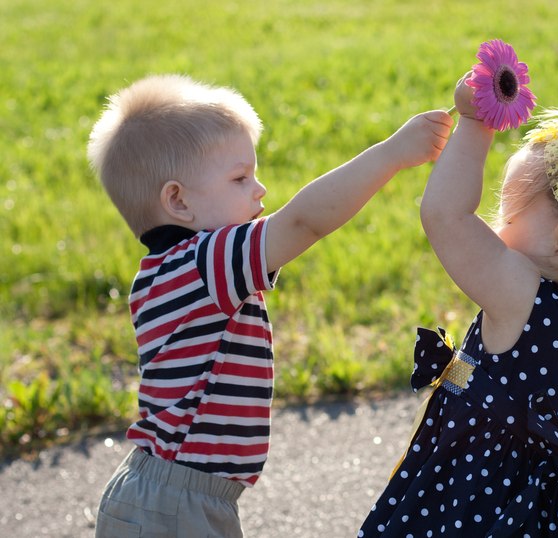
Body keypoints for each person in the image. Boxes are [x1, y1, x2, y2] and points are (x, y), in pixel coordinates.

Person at [86, 74, 452, 537]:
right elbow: (303, 222)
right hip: (177, 506)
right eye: (240, 178)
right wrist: (392, 153)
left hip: (171, 498)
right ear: (177, 201)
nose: (259, 190)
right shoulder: (202, 264)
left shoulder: (176, 270)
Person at [359, 73, 558, 537]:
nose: (494, 230)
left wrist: (474, 124)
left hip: (464, 511)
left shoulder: (523, 296)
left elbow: (445, 215)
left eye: (507, 214)